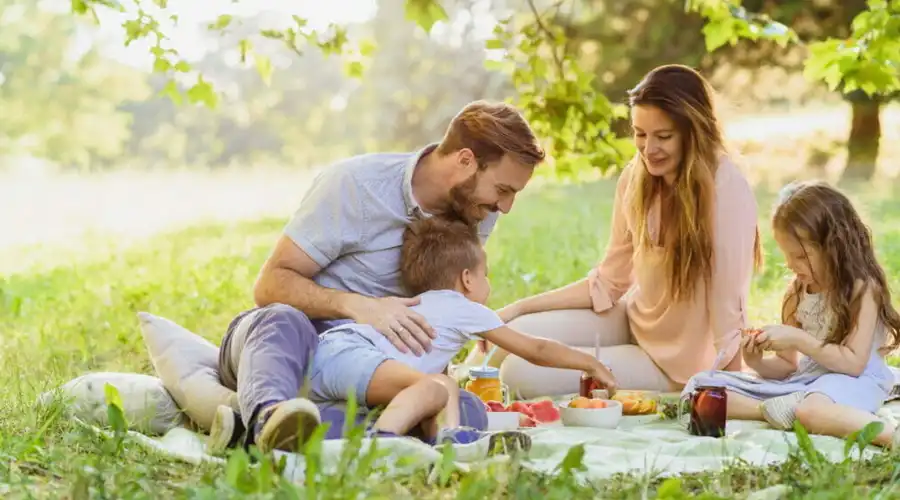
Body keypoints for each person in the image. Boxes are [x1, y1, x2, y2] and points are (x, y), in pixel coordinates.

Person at [214, 100, 547, 453]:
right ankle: (268, 415)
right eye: (503, 190)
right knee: (282, 319)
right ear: (465, 160)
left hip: (368, 368)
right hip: (291, 347)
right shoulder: (355, 185)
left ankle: (272, 432)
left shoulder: (477, 210)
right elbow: (270, 285)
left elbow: (446, 300)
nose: (505, 207)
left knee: (464, 409)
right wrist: (358, 306)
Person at [467, 64, 761, 398]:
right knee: (511, 334)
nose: (649, 149)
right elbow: (609, 281)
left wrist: (730, 390)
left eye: (663, 136)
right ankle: (451, 383)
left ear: (693, 132)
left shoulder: (726, 188)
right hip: (634, 322)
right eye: (640, 134)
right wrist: (519, 308)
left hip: (678, 364)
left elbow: (728, 304)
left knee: (520, 375)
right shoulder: (637, 179)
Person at [297, 216, 615, 452]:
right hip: (352, 354)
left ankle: (447, 440)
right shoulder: (462, 307)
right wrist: (590, 363)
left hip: (324, 360)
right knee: (440, 386)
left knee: (441, 387)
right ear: (466, 279)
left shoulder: (426, 304)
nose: (488, 284)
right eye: (485, 275)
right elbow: (536, 350)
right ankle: (385, 445)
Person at [682, 181, 900, 447]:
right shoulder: (797, 293)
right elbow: (788, 366)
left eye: (800, 256)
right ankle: (772, 410)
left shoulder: (863, 290)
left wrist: (798, 338)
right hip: (805, 384)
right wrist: (757, 361)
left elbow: (852, 364)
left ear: (835, 246)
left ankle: (891, 437)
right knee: (700, 388)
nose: (790, 264)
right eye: (787, 255)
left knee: (811, 411)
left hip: (857, 381)